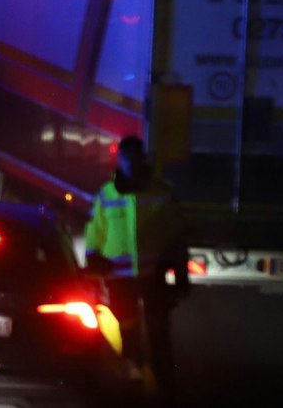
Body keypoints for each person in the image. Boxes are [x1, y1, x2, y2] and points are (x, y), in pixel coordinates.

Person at [83, 135, 188, 401]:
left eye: (135, 157)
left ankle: (166, 385)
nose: (131, 163)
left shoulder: (160, 193)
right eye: (127, 157)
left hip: (153, 276)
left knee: (159, 334)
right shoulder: (106, 194)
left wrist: (180, 270)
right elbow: (95, 230)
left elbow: (176, 233)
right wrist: (92, 258)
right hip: (119, 279)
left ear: (142, 159)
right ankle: (133, 383)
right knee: (127, 332)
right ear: (120, 160)